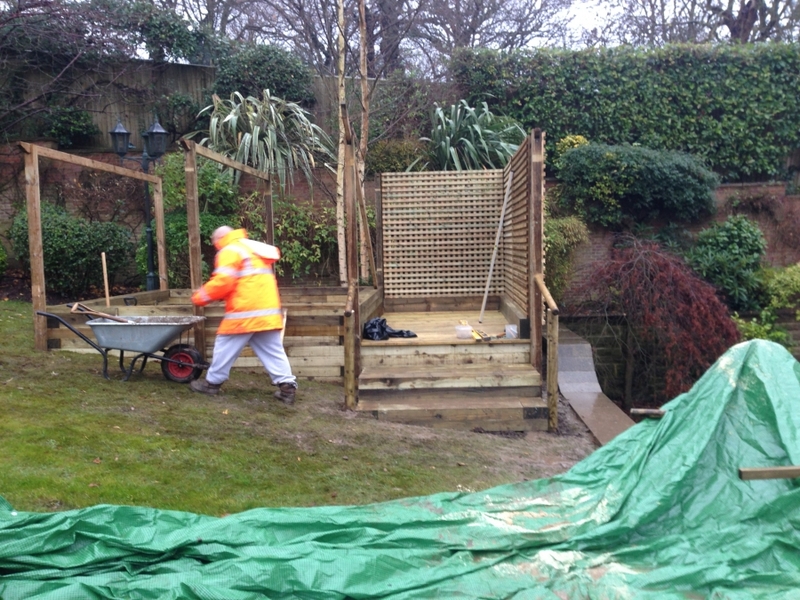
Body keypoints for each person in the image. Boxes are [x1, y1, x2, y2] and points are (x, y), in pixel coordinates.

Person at [189, 226, 297, 404]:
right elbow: (244, 282)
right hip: (267, 312)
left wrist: (199, 297)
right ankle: (287, 388)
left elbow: (223, 282)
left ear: (219, 239)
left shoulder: (230, 250)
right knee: (273, 351)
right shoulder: (251, 250)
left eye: (214, 242)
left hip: (244, 312)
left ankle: (211, 384)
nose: (215, 246)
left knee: (224, 346)